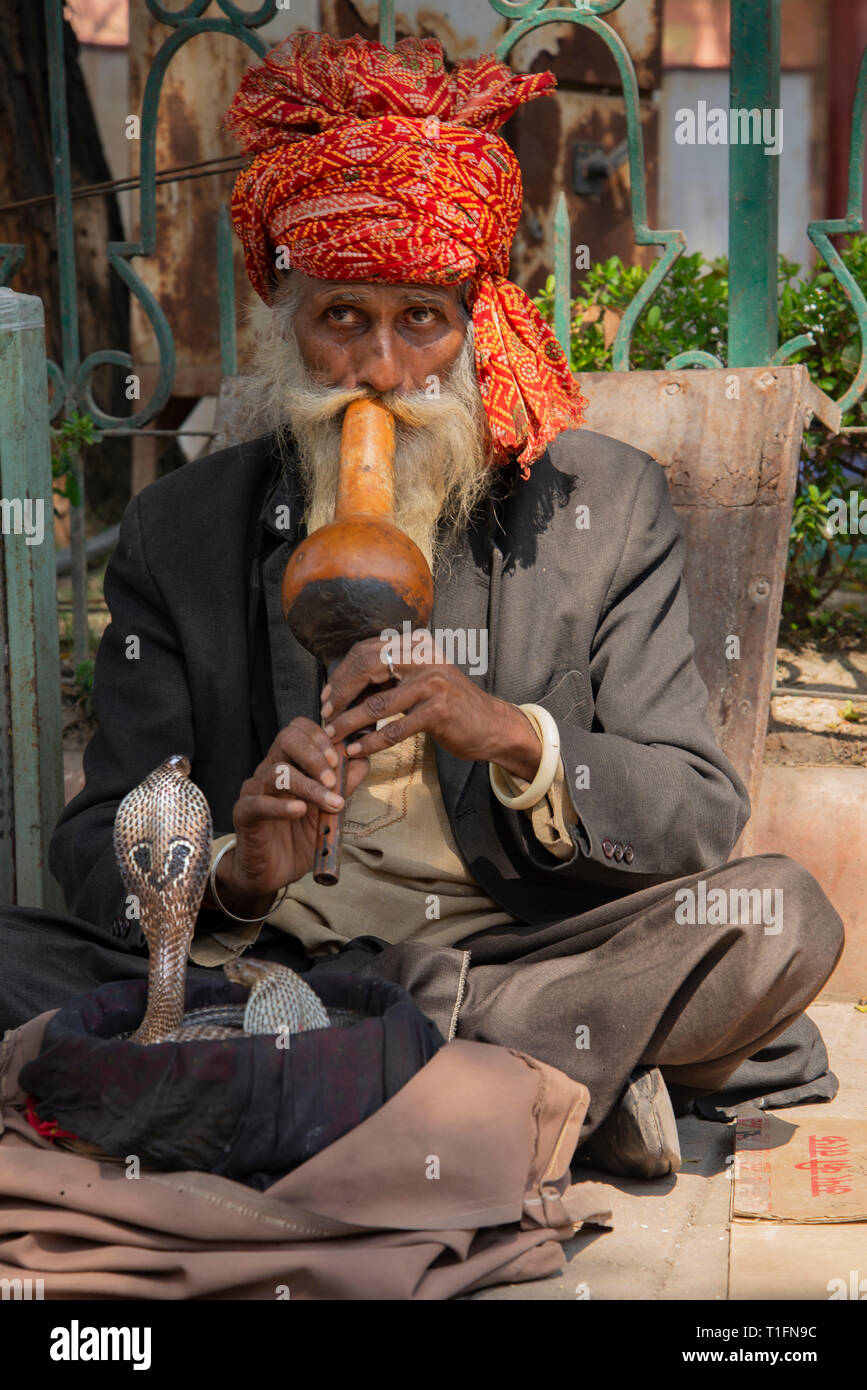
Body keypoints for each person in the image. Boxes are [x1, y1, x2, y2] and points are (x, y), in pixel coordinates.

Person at [0, 32, 843, 1178]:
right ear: (287, 324)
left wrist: (512, 735)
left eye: (421, 321)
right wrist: (236, 874)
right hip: (260, 969)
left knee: (778, 918)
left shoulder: (601, 505)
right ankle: (518, 1093)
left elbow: (696, 813)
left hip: (515, 959)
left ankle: (315, 1080)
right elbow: (97, 849)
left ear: (477, 327)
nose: (383, 371)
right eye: (343, 316)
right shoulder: (183, 531)